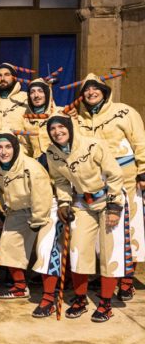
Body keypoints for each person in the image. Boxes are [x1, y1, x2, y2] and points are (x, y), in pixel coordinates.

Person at [45, 115, 125, 321]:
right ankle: (80, 299)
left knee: (109, 251)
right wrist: (63, 202)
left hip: (107, 199)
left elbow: (115, 174)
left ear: (70, 127)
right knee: (77, 249)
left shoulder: (93, 145)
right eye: (52, 128)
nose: (57, 132)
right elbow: (61, 180)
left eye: (61, 126)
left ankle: (105, 303)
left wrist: (115, 206)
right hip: (82, 203)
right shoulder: (52, 153)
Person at [75, 73, 145, 301]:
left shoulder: (124, 112)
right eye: (86, 90)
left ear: (104, 91)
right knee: (102, 235)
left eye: (95, 89)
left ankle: (126, 281)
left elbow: (140, 141)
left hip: (126, 180)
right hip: (96, 183)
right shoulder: (79, 119)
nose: (90, 93)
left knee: (128, 232)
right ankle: (104, 276)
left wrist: (143, 171)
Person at [0, 131, 53, 300]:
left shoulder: (31, 167)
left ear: (15, 148)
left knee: (45, 250)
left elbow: (42, 195)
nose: (3, 152)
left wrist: (38, 220)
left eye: (8, 147)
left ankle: (51, 293)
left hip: (41, 210)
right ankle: (20, 287)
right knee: (8, 246)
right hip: (16, 211)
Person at [22, 78, 60, 161]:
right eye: (32, 92)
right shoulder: (27, 120)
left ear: (47, 94)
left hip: (59, 163)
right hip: (38, 165)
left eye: (40, 91)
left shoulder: (60, 114)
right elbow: (26, 148)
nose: (36, 95)